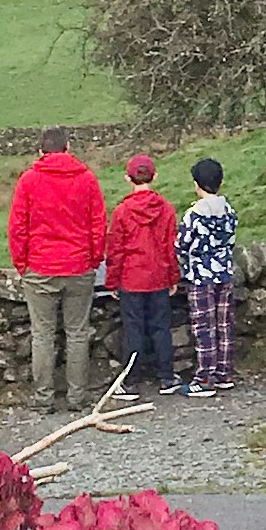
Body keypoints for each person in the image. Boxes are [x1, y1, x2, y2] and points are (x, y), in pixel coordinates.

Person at [6, 127, 108, 408]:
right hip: (78, 265)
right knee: (77, 333)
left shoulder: (29, 181)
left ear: (41, 151)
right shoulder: (86, 179)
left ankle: (44, 398)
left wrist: (21, 264)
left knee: (42, 335)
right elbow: (98, 223)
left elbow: (17, 227)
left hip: (40, 266)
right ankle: (77, 397)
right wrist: (94, 259)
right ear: (68, 148)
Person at [108, 151, 179, 393]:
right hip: (158, 275)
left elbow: (115, 250)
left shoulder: (121, 212)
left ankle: (131, 381)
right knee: (161, 327)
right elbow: (171, 247)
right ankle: (167, 377)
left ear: (127, 178)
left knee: (133, 329)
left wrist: (112, 281)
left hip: (131, 277)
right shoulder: (166, 209)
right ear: (154, 176)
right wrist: (173, 277)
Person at [175, 154, 239, 396]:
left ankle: (204, 378)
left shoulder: (194, 215)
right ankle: (224, 372)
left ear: (197, 184)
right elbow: (231, 240)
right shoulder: (228, 211)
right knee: (224, 324)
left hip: (201, 276)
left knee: (204, 326)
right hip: (224, 273)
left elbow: (182, 245)